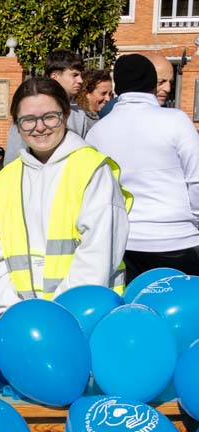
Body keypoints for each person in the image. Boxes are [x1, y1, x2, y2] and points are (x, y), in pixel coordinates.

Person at [0, 77, 130, 432]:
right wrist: (5, 311)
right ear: (17, 125)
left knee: (78, 417)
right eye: (29, 119)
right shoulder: (5, 180)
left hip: (81, 320)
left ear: (67, 115)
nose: (40, 126)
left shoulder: (92, 169)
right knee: (23, 415)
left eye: (50, 116)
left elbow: (96, 254)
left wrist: (54, 319)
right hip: (21, 322)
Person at [87, 54, 199, 282]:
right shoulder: (176, 121)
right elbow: (196, 179)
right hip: (176, 238)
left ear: (118, 87)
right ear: (151, 84)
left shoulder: (97, 132)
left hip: (123, 244)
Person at [5, 50, 92, 161]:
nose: (80, 80)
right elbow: (13, 157)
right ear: (54, 77)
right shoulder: (30, 108)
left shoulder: (79, 115)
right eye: (74, 75)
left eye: (80, 75)